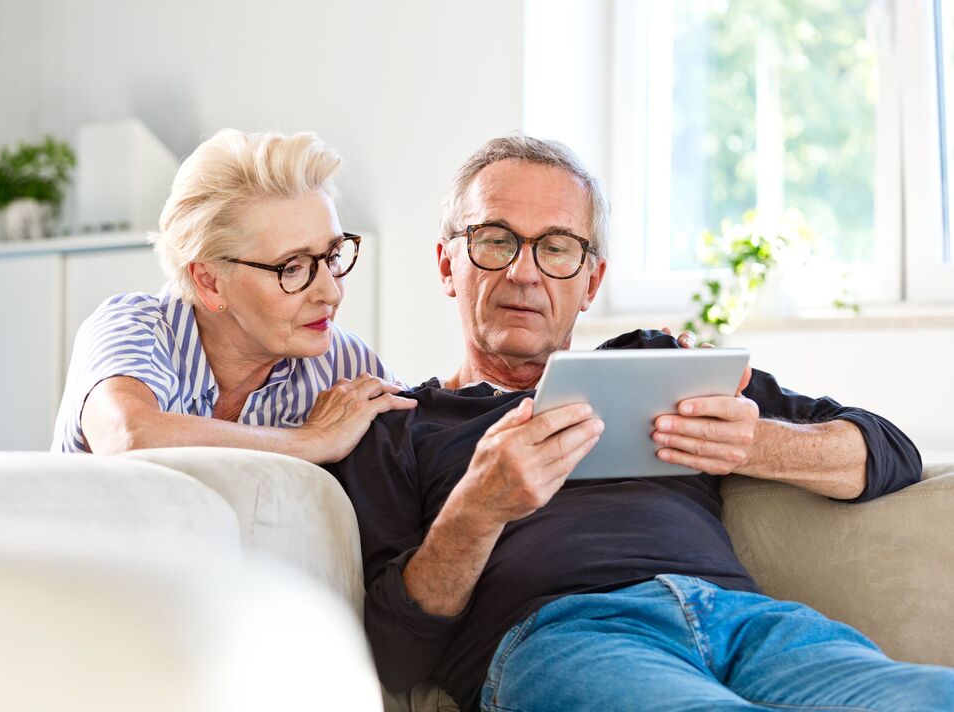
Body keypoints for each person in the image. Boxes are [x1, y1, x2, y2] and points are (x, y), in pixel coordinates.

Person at [327, 135, 954, 711]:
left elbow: (891, 454)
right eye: (496, 240)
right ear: (447, 264)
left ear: (591, 279)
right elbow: (397, 654)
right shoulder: (396, 427)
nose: (524, 272)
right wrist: (477, 510)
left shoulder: (659, 363)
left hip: (747, 623)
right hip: (567, 640)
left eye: (557, 248)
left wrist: (753, 443)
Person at [52, 129, 415, 460]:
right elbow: (128, 437)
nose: (331, 292)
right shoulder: (132, 328)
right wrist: (311, 441)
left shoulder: (345, 364)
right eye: (292, 268)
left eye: (334, 256)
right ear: (209, 281)